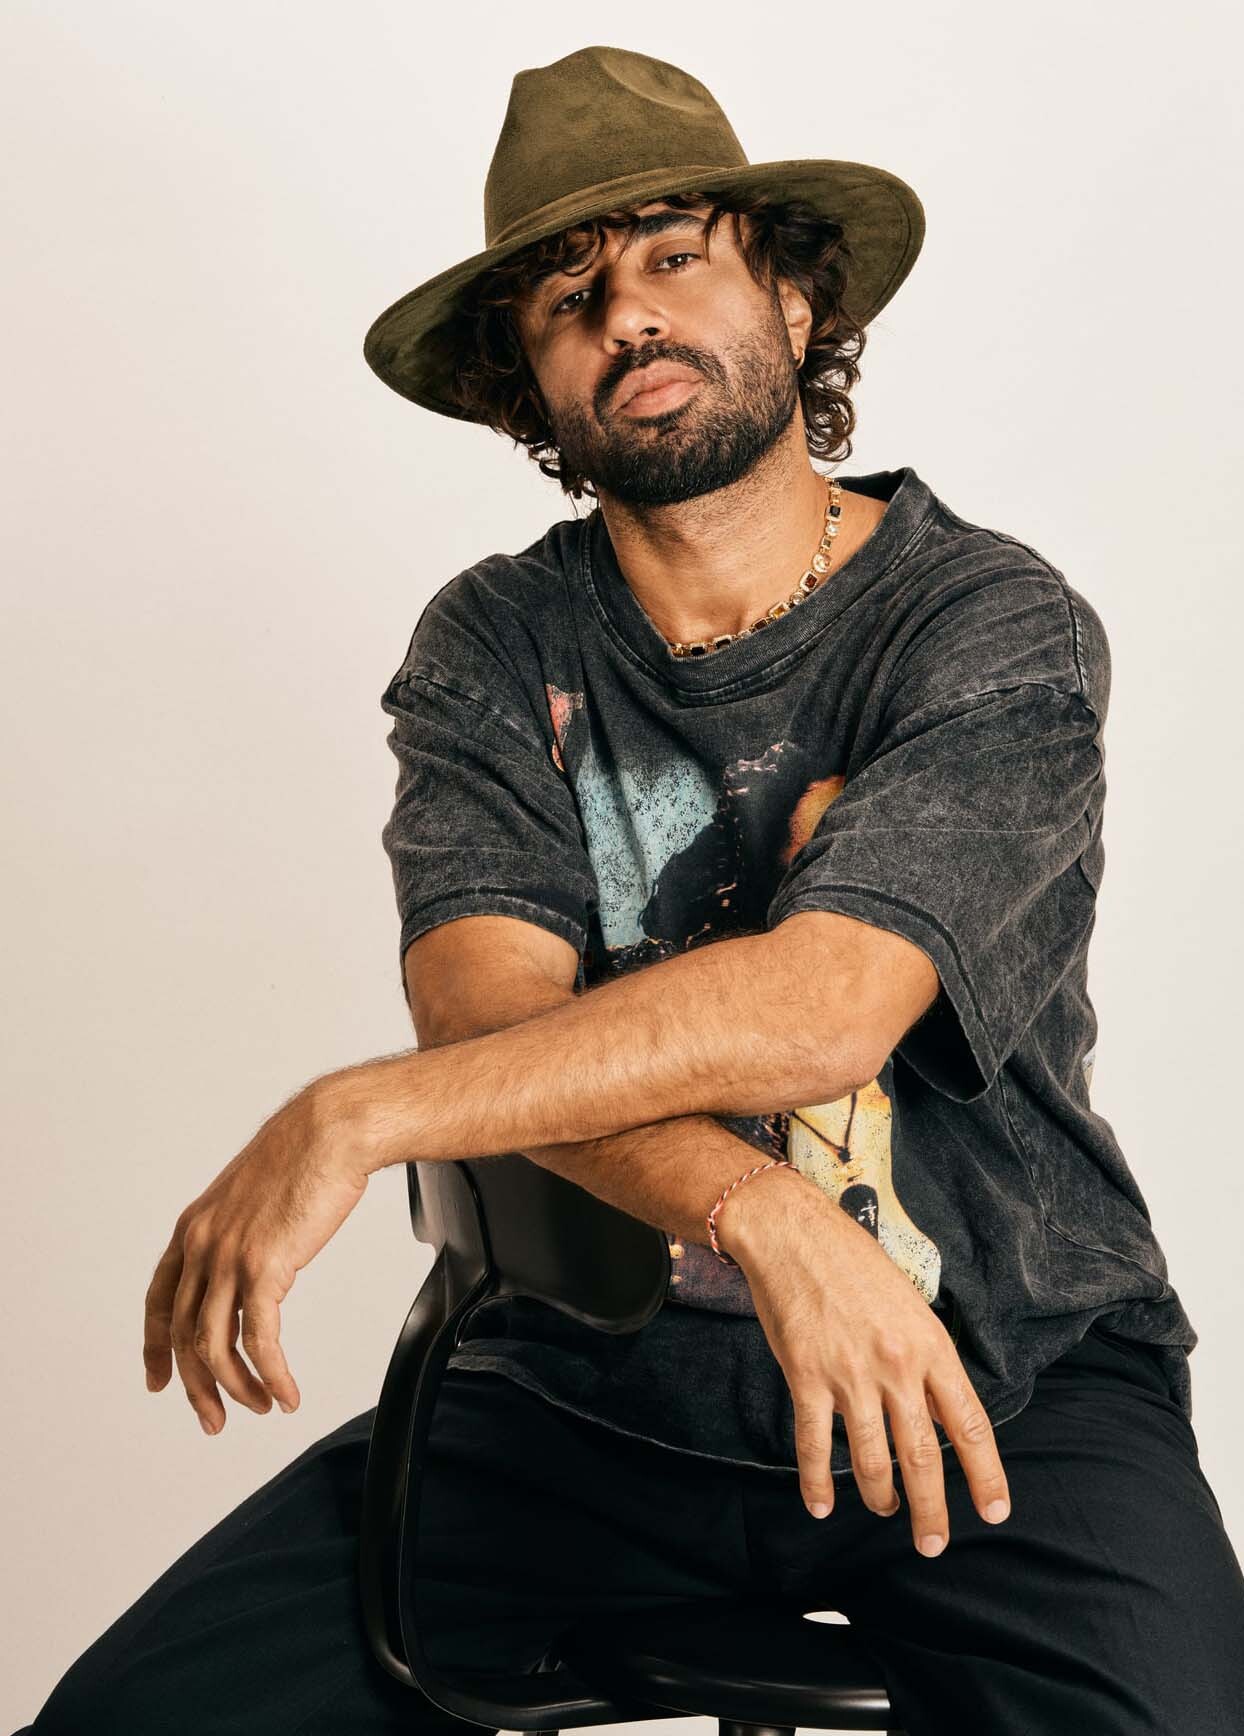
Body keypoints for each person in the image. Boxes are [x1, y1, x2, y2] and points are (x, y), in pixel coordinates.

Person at [15, 43, 1244, 1736]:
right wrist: (762, 1212)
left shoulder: (986, 623)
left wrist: (353, 1114)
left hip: (1002, 1375)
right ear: (529, 385)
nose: (630, 317)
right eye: (568, 298)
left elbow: (828, 1006)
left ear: (795, 300)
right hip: (583, 1395)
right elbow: (488, 1025)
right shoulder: (496, 643)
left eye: (676, 256)